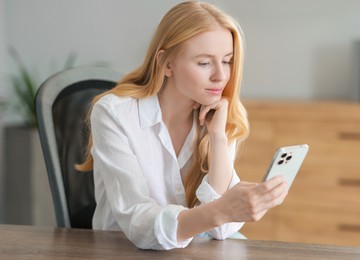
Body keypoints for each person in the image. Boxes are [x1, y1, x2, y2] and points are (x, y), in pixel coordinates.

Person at [76, 0, 288, 250]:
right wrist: (220, 210)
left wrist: (218, 138)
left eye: (227, 61)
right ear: (167, 64)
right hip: (124, 251)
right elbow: (138, 221)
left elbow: (219, 230)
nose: (220, 75)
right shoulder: (115, 114)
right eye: (204, 63)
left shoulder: (220, 115)